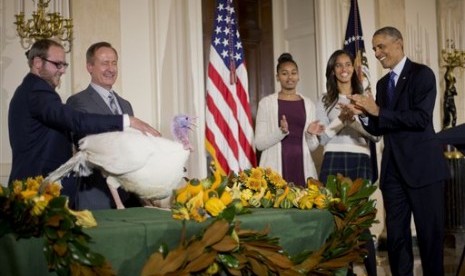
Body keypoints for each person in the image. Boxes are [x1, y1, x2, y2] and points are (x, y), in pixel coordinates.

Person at [345, 26, 449, 276]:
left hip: (423, 170)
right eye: (374, 48)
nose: (377, 53)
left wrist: (378, 111)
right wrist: (364, 116)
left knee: (429, 239)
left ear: (398, 43)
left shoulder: (422, 74)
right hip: (393, 173)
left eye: (381, 46)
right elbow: (381, 128)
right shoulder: (382, 84)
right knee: (396, 240)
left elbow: (420, 119)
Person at [8, 38, 160, 208]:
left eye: (64, 65)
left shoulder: (36, 91)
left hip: (46, 192)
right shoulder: (37, 92)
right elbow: (78, 122)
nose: (62, 70)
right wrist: (127, 120)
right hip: (36, 192)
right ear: (37, 63)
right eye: (57, 64)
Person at [316, 49, 379, 276]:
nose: (344, 69)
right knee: (335, 219)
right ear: (333, 72)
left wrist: (354, 122)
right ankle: (345, 272)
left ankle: (372, 271)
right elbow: (323, 138)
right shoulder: (325, 100)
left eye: (347, 65)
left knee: (359, 219)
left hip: (359, 159)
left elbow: (376, 135)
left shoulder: (365, 98)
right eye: (339, 66)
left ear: (354, 69)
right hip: (333, 159)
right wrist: (341, 120)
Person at [66, 42, 141, 210]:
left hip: (126, 196)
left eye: (114, 63)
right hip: (94, 194)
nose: (111, 68)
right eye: (105, 63)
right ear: (90, 67)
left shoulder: (126, 105)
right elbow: (85, 142)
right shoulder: (78, 102)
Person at [254, 53, 323, 187]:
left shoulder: (308, 104)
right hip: (275, 168)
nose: (290, 77)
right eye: (284, 73)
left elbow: (313, 147)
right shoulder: (266, 103)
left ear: (298, 76)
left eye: (293, 73)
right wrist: (281, 132)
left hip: (302, 167)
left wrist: (309, 134)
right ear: (277, 77)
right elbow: (259, 144)